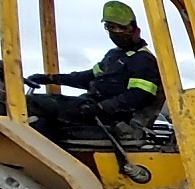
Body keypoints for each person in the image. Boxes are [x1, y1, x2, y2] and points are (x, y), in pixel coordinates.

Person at [23, 1, 161, 142]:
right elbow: (87, 78)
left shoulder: (143, 60)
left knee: (36, 104)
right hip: (90, 107)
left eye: (121, 28)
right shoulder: (113, 55)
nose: (116, 32)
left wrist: (101, 108)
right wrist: (50, 78)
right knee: (39, 116)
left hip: (110, 119)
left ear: (134, 29)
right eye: (111, 27)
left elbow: (139, 96)